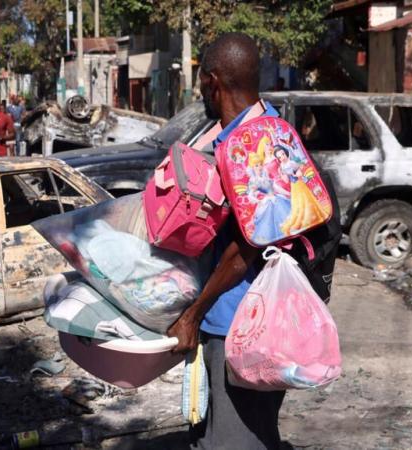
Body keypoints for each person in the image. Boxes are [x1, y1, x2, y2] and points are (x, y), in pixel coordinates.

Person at [167, 33, 288, 450]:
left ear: (213, 81)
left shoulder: (253, 144)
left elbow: (246, 248)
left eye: (201, 80)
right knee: (212, 433)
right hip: (237, 317)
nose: (201, 89)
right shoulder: (254, 127)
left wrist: (192, 314)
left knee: (237, 440)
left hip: (244, 324)